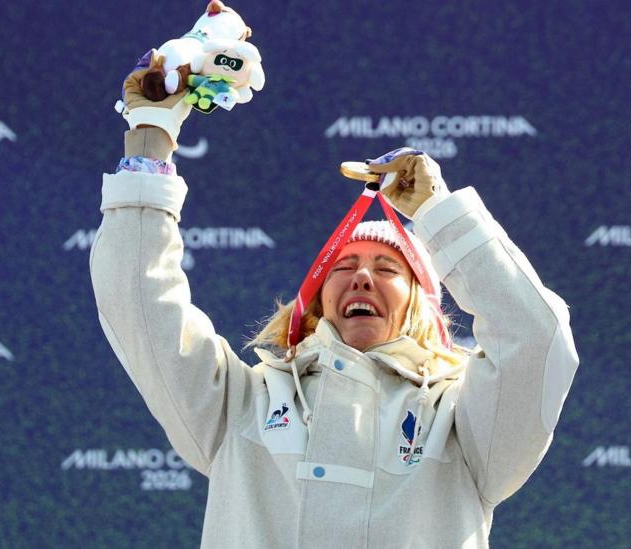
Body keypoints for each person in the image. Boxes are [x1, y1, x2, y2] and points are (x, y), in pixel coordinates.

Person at [90, 67, 579, 548]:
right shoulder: (241, 402)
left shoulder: (461, 418)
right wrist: (150, 141)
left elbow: (536, 340)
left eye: (388, 269)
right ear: (319, 302)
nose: (362, 276)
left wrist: (437, 212)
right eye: (343, 268)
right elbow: (140, 304)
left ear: (420, 303)